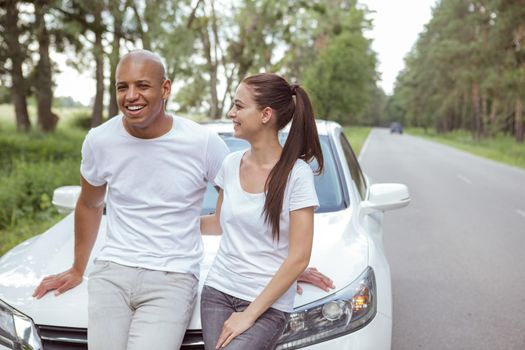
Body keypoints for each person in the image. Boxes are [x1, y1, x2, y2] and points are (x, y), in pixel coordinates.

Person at [32, 49, 230, 350]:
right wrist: (77, 269)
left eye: (142, 85)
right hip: (113, 271)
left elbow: (242, 203)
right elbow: (89, 203)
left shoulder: (202, 143)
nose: (131, 95)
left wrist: (275, 262)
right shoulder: (100, 140)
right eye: (122, 87)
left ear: (165, 89)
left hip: (173, 275)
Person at [199, 73, 325, 350]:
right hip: (218, 292)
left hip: (267, 304)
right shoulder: (230, 165)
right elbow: (217, 224)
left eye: (239, 106)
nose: (231, 113)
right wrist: (162, 220)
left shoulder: (297, 175)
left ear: (266, 114)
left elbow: (298, 257)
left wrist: (248, 316)